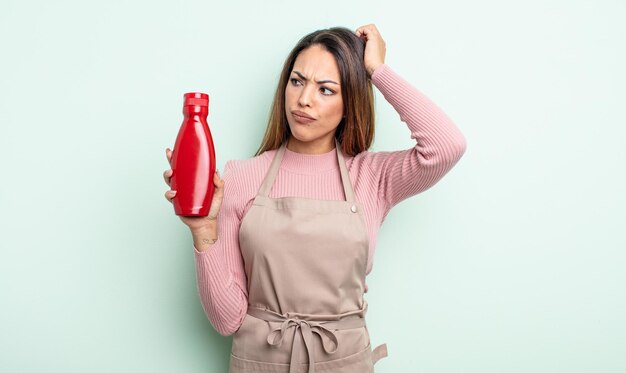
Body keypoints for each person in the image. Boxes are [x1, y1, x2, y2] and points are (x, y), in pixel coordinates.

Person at [163, 24, 466, 373]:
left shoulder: (372, 177)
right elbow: (227, 320)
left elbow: (447, 145)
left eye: (325, 89)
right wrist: (203, 229)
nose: (304, 99)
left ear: (350, 99)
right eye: (297, 81)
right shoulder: (241, 177)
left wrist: (377, 71)